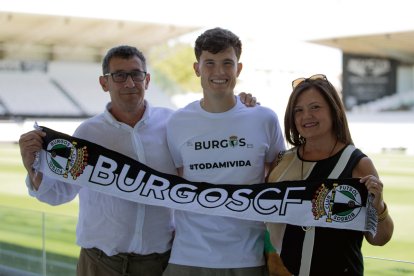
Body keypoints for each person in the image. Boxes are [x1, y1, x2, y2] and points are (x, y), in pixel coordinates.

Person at [18, 45, 257, 276]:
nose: (130, 83)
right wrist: (32, 167)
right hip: (100, 263)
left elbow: (215, 143)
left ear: (148, 80)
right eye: (120, 76)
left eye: (136, 75)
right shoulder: (87, 133)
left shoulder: (173, 124)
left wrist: (241, 104)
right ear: (105, 83)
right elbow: (57, 194)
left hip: (158, 262)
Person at [164, 27, 286, 276]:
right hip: (188, 255)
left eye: (227, 63)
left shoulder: (264, 118)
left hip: (246, 257)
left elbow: (279, 180)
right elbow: (176, 181)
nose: (219, 71)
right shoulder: (177, 122)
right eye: (209, 63)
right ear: (197, 68)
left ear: (238, 69)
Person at [266, 74, 394, 276]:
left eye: (315, 107)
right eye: (298, 110)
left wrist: (379, 207)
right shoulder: (282, 161)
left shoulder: (357, 164)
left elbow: (380, 239)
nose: (306, 116)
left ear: (334, 111)